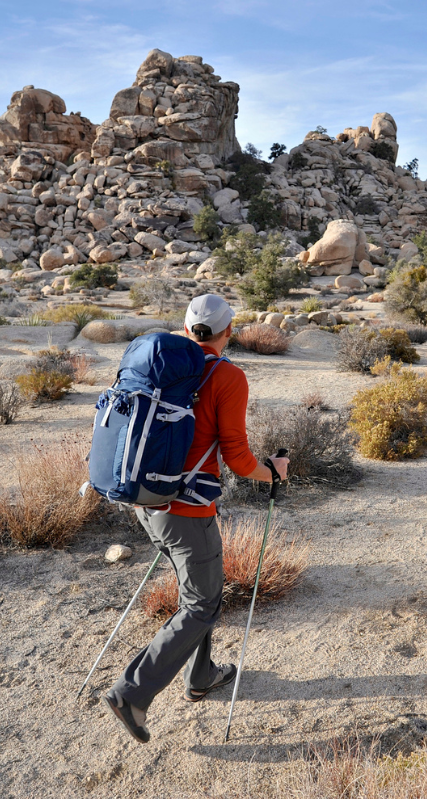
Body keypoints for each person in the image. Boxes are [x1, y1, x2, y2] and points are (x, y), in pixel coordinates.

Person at [103, 294, 289, 744]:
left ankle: (201, 674)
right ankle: (131, 693)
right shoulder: (227, 375)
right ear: (229, 331)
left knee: (199, 592)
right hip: (188, 512)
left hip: (145, 501)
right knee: (201, 604)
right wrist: (274, 472)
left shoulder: (161, 365)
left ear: (187, 328)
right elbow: (240, 460)